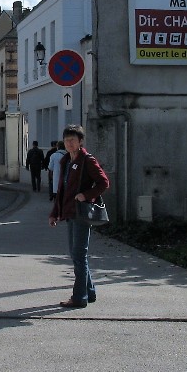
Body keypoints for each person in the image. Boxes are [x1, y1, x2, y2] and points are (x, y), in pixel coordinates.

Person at [48, 125, 109, 308]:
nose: (69, 143)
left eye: (73, 140)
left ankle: (79, 297)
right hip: (69, 212)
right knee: (77, 255)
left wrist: (86, 195)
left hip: (81, 212)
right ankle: (89, 292)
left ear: (81, 141)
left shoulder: (87, 160)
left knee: (78, 255)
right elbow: (62, 190)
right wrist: (54, 213)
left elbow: (103, 182)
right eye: (67, 140)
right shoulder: (66, 161)